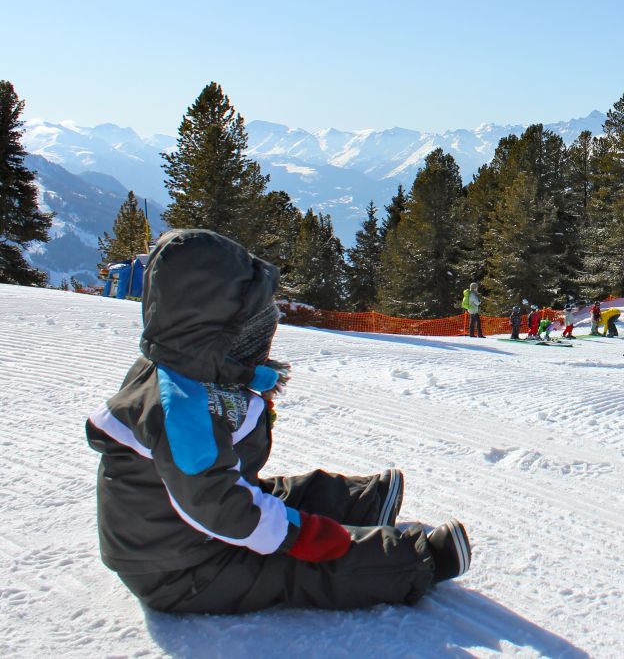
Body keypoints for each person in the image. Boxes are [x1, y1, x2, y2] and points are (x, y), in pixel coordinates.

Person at [85, 229, 470, 615]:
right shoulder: (179, 409)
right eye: (254, 327)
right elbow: (220, 506)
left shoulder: (185, 368)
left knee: (276, 495)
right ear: (217, 332)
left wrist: (245, 374)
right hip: (181, 568)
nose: (266, 335)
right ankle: (412, 560)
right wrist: (305, 536)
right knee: (299, 566)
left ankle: (359, 503)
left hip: (179, 529)